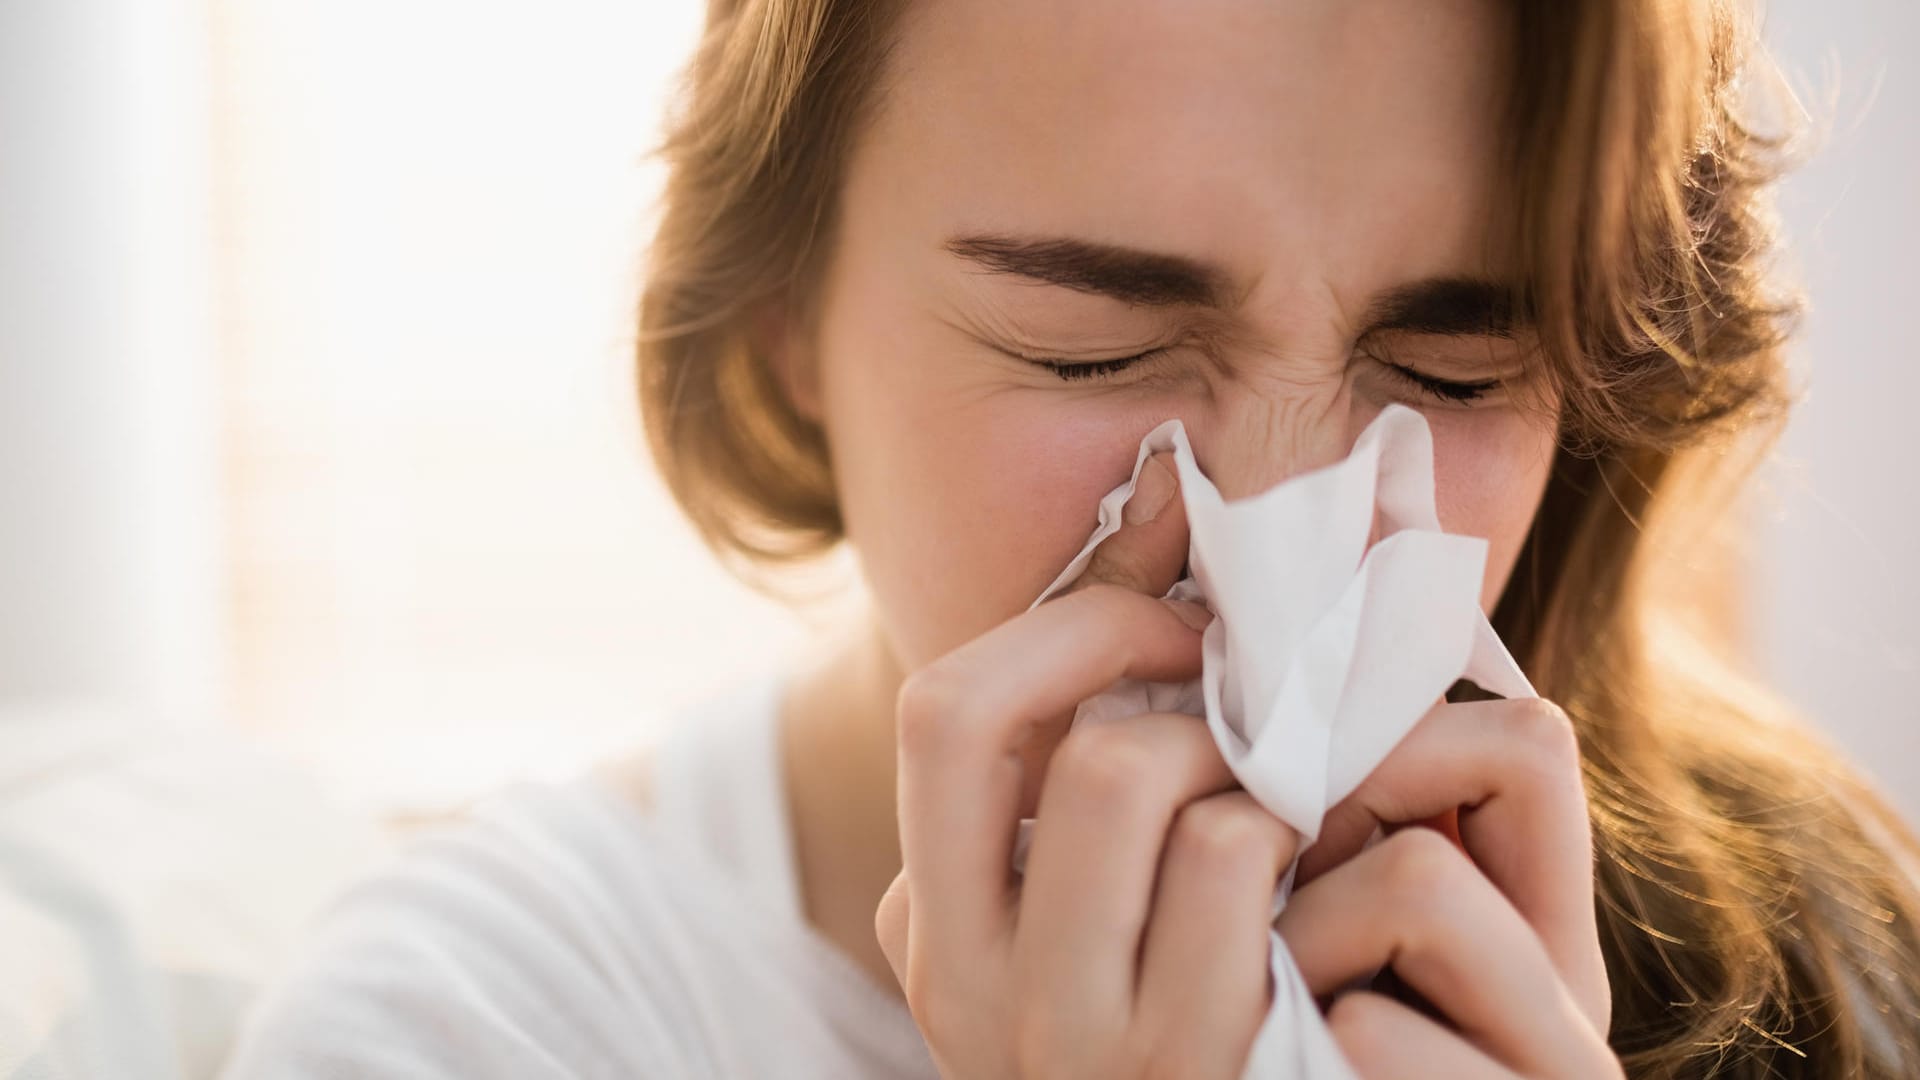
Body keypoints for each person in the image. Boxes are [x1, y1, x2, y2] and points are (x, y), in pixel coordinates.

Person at [222, 0, 1920, 1076]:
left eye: (1451, 367)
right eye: (1089, 353)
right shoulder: (479, 1027)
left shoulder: (1820, 964)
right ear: (781, 319)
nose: (1269, 530)